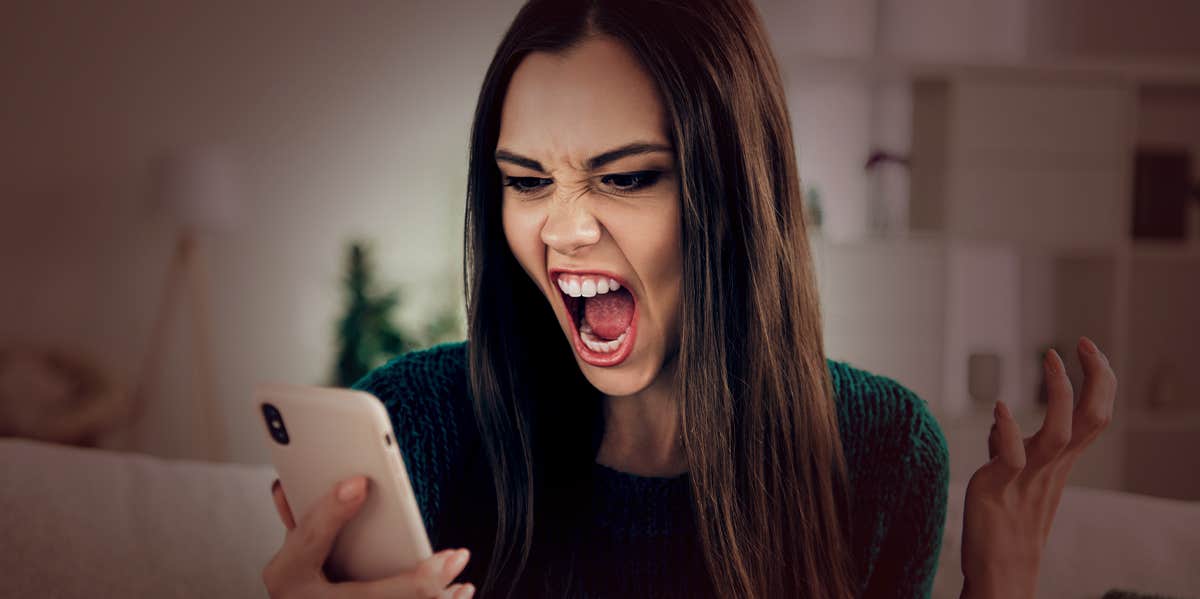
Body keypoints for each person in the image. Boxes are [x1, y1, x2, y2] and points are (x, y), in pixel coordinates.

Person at [261, 1, 1118, 597]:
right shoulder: (417, 425)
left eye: (626, 176)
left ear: (735, 188)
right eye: (526, 180)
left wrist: (1003, 585)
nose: (561, 230)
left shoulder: (882, 452)